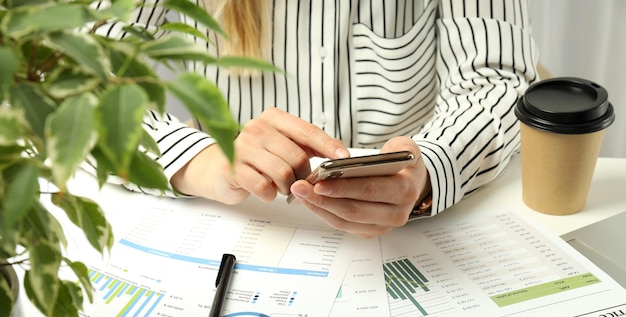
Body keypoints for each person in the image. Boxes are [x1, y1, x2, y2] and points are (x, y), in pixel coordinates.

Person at [101, 0, 538, 238]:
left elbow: (497, 81)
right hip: (240, 230)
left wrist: (432, 172)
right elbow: (61, 80)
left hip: (414, 235)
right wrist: (203, 160)